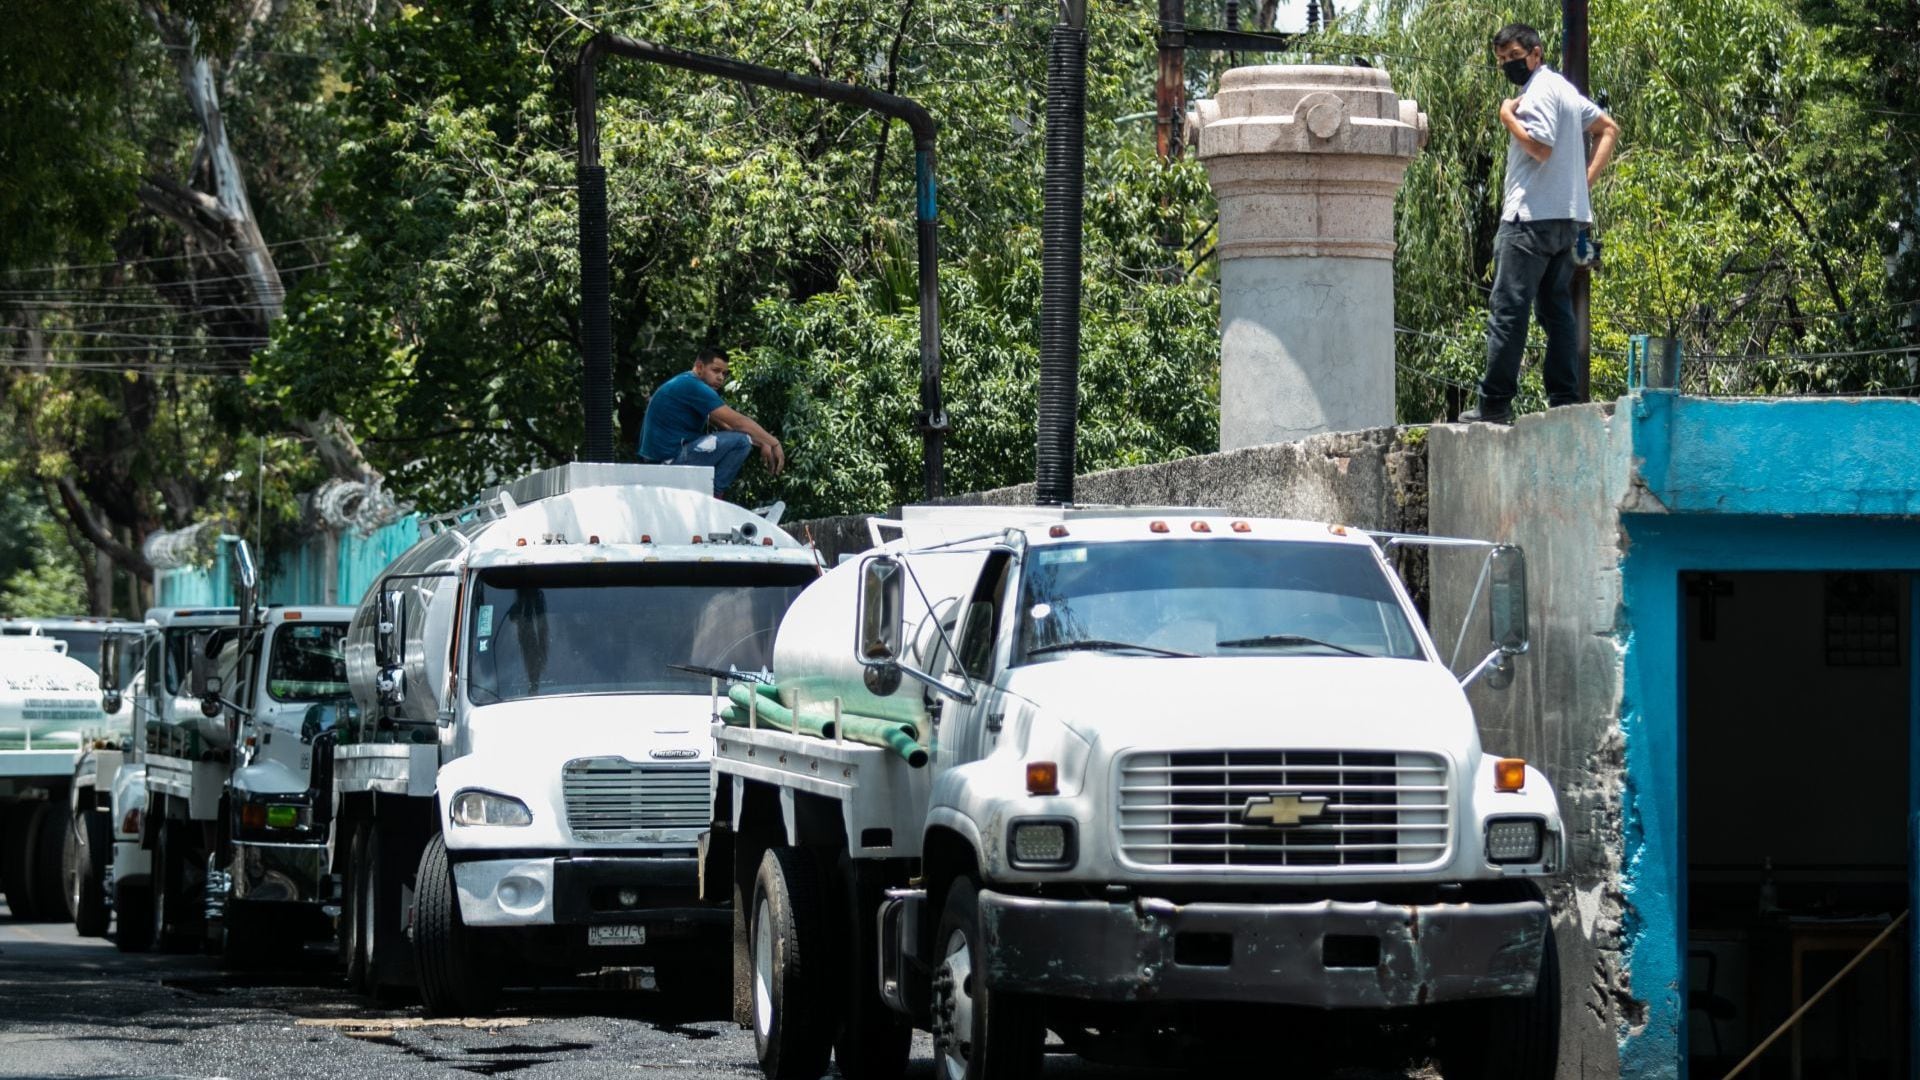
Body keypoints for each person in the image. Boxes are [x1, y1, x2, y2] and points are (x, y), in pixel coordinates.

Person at [1461, 23, 1621, 425]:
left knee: (1509, 311)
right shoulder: (1565, 90)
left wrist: (1507, 118)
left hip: (1528, 220)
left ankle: (1494, 404)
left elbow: (1541, 148)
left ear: (1536, 53)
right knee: (1556, 312)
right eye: (1501, 61)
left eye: (1514, 58)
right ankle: (1564, 402)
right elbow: (1608, 129)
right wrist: (1582, 184)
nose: (1508, 66)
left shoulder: (1537, 93)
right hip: (1566, 220)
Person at [637, 347, 785, 496]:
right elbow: (739, 423)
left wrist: (762, 442)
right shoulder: (694, 387)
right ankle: (714, 497)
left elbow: (726, 426)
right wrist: (774, 443)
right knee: (741, 442)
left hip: (659, 462)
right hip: (669, 462)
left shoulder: (685, 382)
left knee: (742, 438)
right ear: (700, 367)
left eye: (724, 373)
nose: (721, 377)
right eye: (716, 371)